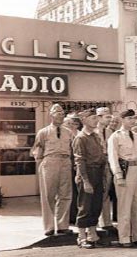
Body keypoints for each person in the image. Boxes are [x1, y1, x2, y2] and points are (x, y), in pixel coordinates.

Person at [108, 109, 137, 247]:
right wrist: (118, 175)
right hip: (126, 170)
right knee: (124, 205)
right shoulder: (115, 136)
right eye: (129, 119)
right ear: (122, 120)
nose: (132, 121)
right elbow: (113, 157)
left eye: (133, 118)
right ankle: (125, 237)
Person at [31, 104, 74, 236]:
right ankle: (49, 227)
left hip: (65, 162)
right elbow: (37, 150)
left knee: (65, 195)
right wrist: (43, 163)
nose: (60, 114)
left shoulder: (69, 132)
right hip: (50, 162)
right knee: (48, 195)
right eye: (57, 112)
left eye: (62, 112)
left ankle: (63, 226)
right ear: (51, 115)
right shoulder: (43, 132)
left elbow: (72, 150)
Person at [73, 109, 107, 249]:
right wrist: (85, 181)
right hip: (87, 173)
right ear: (84, 120)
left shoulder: (95, 136)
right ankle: (81, 237)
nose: (96, 120)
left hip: (98, 172)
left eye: (96, 118)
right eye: (93, 118)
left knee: (96, 205)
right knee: (85, 206)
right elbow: (79, 161)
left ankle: (92, 235)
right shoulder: (80, 138)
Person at [95, 107, 116, 234]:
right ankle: (95, 221)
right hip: (97, 163)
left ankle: (106, 221)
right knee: (97, 192)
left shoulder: (110, 132)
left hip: (107, 162)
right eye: (106, 117)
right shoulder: (93, 131)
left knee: (106, 192)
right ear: (99, 117)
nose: (109, 119)